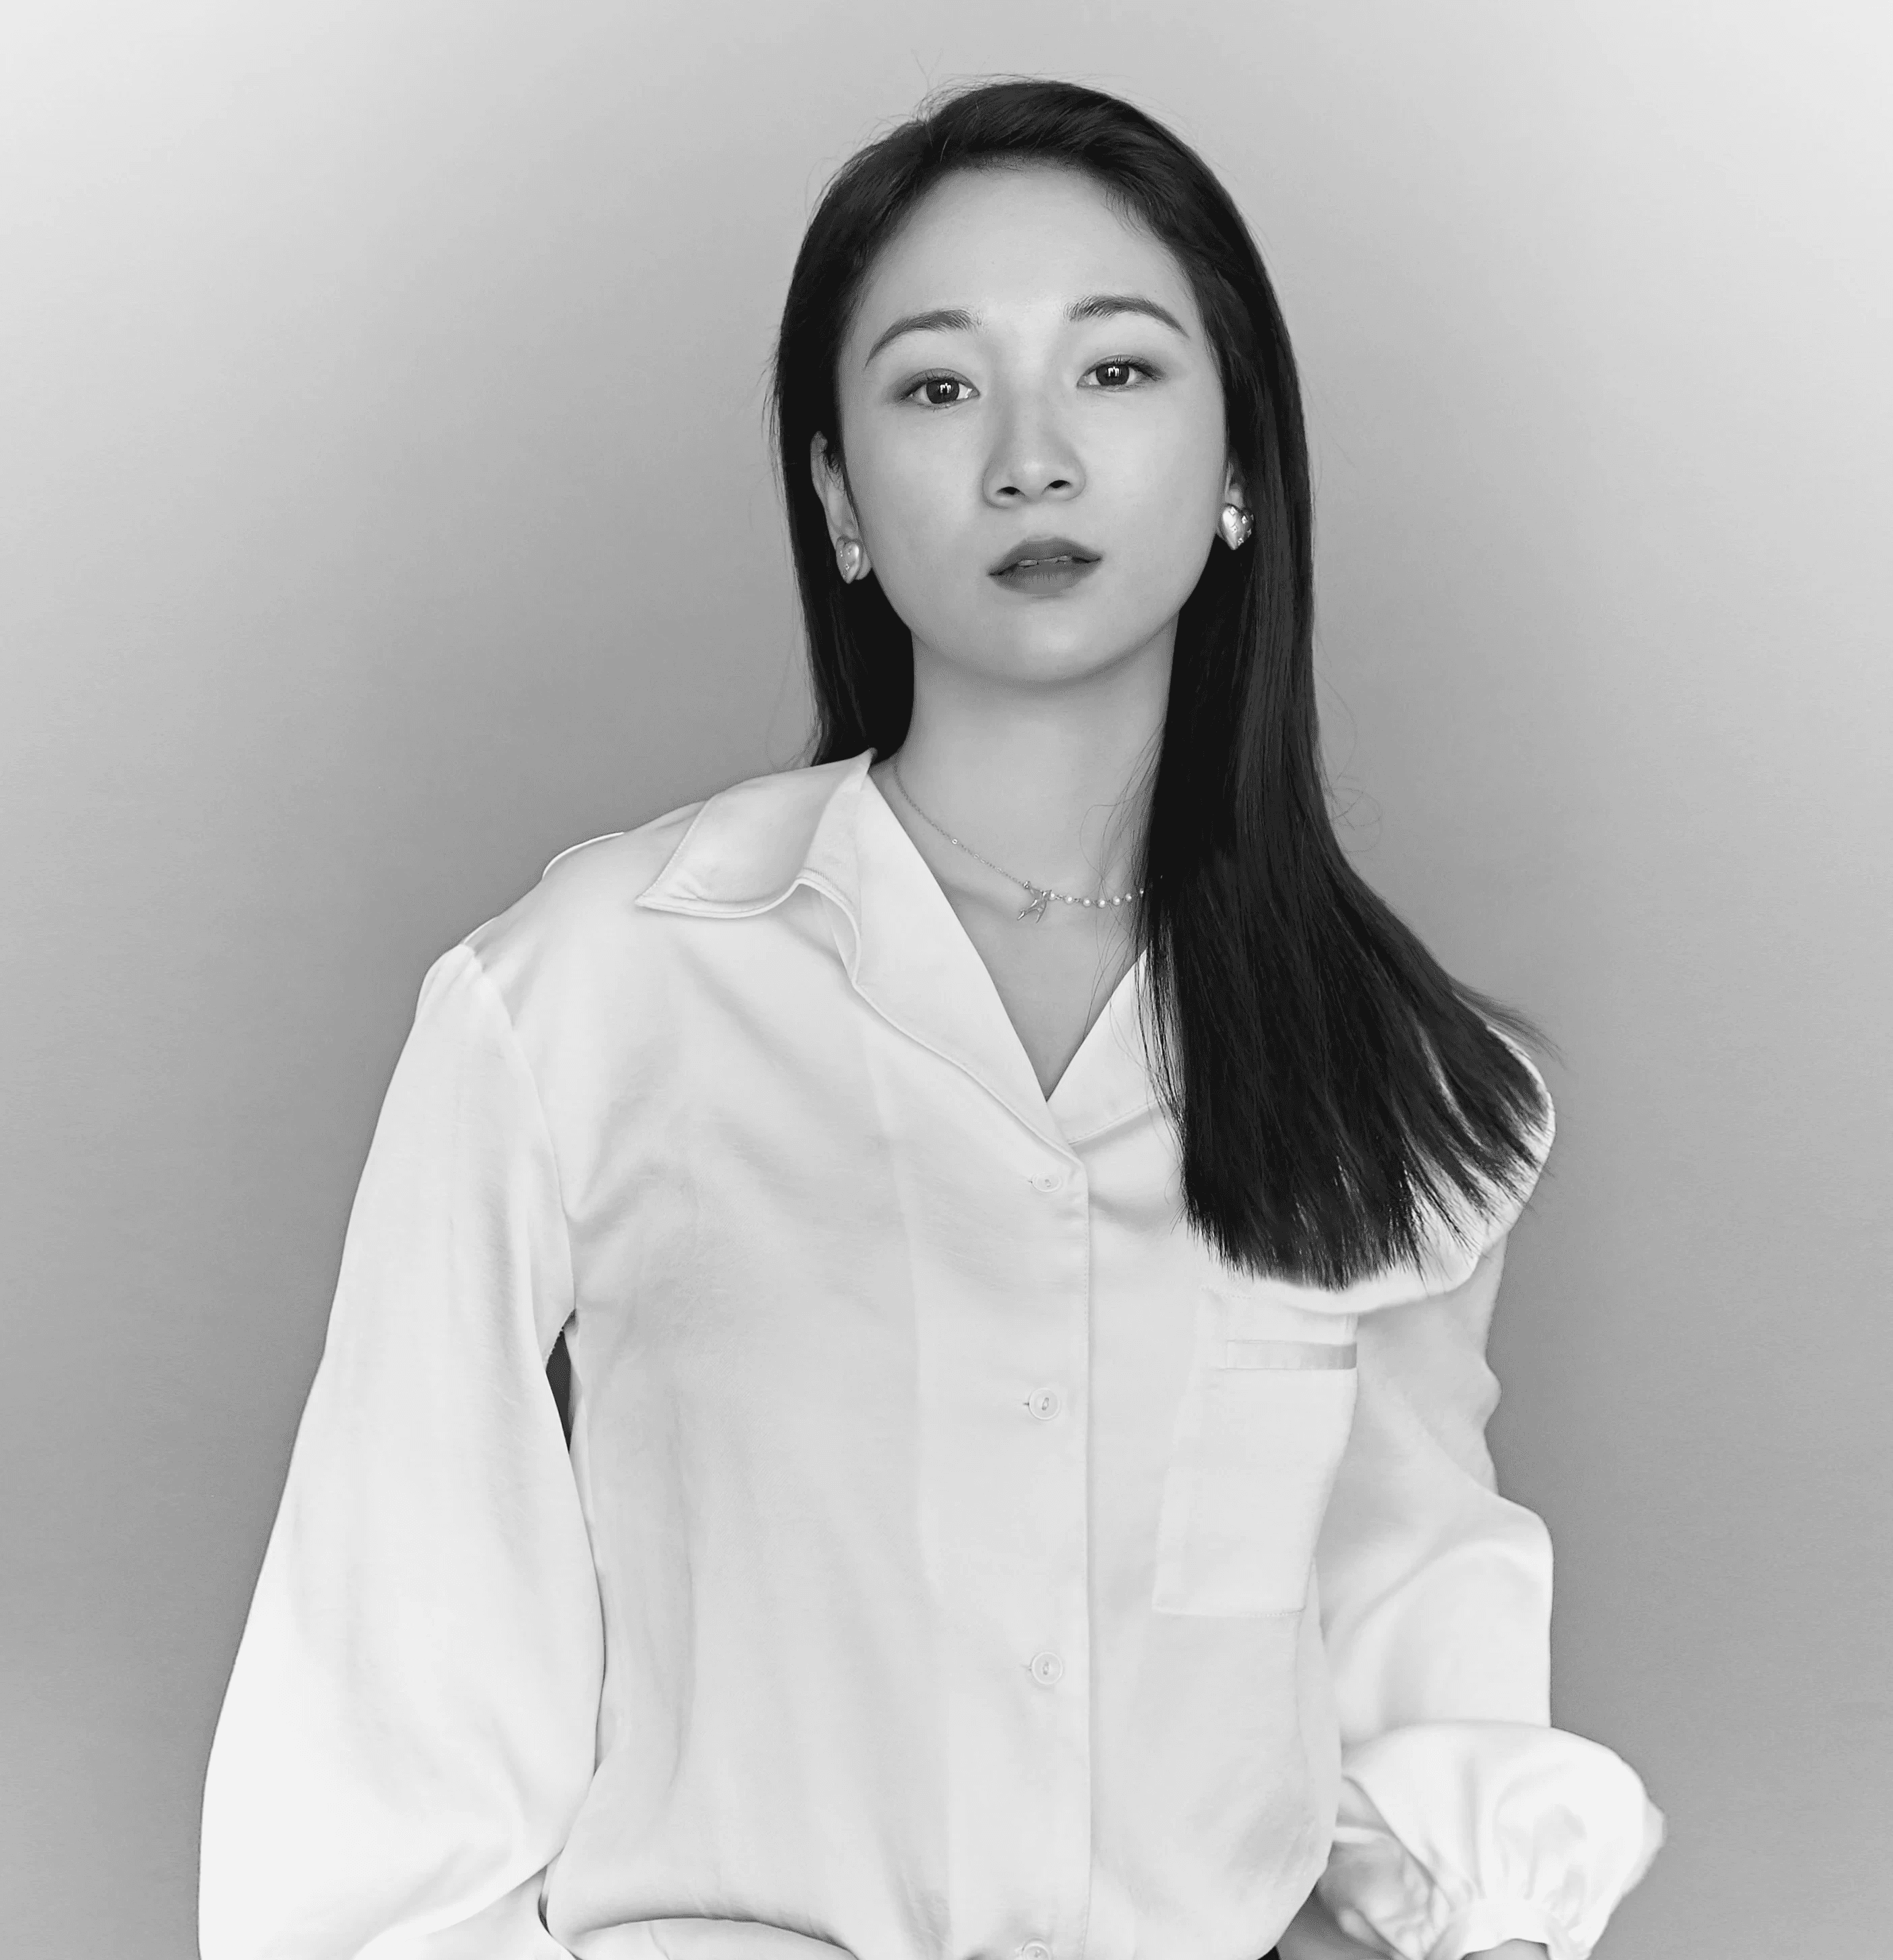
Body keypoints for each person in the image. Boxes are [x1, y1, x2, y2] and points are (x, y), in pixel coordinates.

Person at [198, 78, 1664, 1960]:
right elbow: (385, 1695)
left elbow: (1419, 1645)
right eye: (939, 385)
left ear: (1239, 473)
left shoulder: (1400, 1079)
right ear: (839, 500)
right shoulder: (591, 993)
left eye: (1118, 373)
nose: (1031, 458)